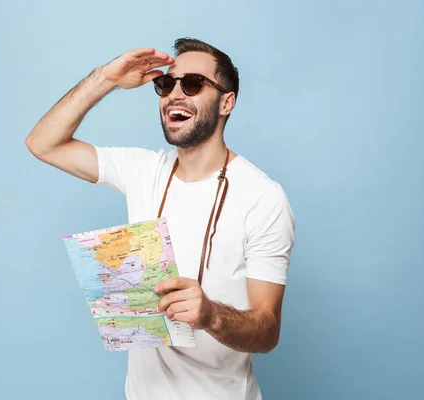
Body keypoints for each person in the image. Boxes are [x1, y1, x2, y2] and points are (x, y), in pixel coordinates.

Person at [25, 37, 296, 400]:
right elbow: (43, 143)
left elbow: (267, 330)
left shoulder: (263, 197)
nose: (175, 94)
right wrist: (105, 78)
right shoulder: (144, 170)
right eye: (166, 84)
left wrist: (210, 315)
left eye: (194, 83)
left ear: (226, 103)